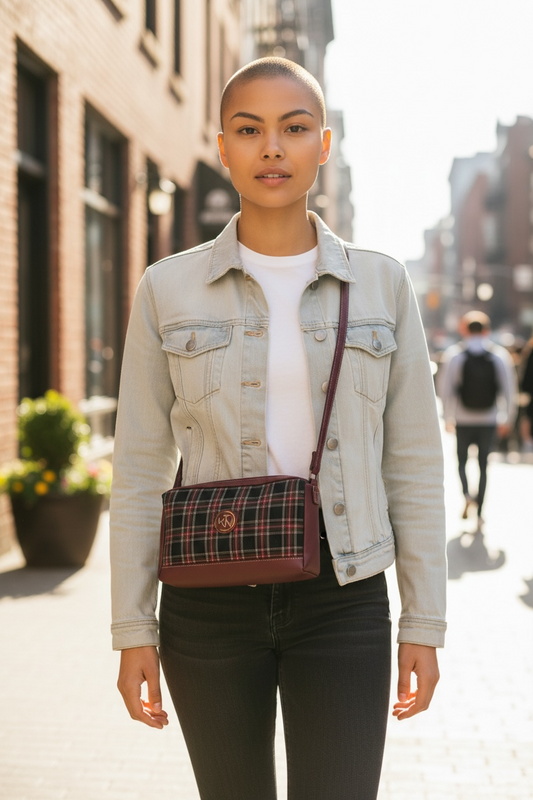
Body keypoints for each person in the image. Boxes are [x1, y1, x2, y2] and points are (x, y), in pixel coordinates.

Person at [110, 58, 447, 800]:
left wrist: (423, 621)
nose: (271, 147)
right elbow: (137, 467)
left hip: (344, 591)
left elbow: (415, 464)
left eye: (294, 128)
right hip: (207, 599)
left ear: (322, 146)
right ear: (222, 148)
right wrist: (133, 629)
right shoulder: (167, 287)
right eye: (248, 129)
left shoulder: (381, 283)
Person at [439, 311, 517, 527]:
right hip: (489, 419)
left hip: (463, 418)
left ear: (465, 329)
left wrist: (447, 417)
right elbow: (509, 390)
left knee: (461, 461)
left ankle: (467, 494)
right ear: (486, 330)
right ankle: (480, 511)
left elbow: (445, 389)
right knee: (484, 465)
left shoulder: (455, 355)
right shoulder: (498, 355)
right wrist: (507, 419)